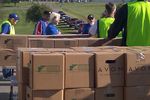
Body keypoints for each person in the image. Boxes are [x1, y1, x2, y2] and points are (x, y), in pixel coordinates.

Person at [0, 13, 19, 79]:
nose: (17, 22)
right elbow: (3, 34)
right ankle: (6, 76)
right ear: (12, 19)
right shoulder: (7, 24)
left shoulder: (11, 25)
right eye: (16, 20)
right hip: (6, 47)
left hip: (9, 47)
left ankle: (9, 75)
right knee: (7, 61)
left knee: (9, 61)